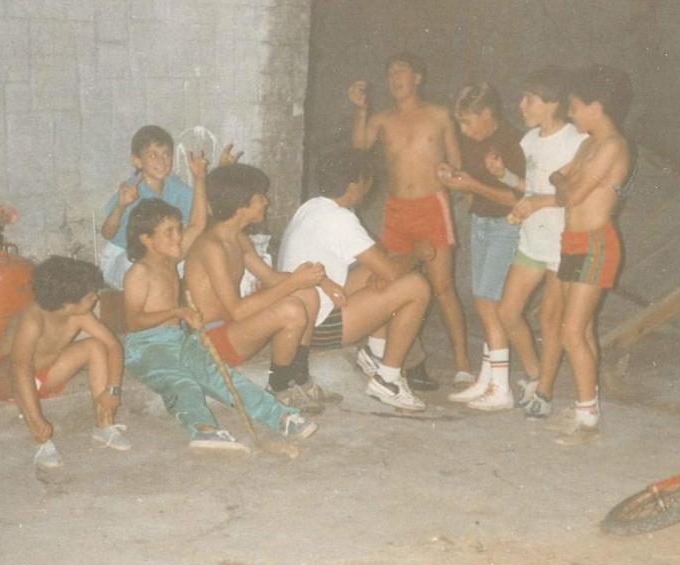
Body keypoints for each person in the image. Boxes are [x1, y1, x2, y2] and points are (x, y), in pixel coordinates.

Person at [122, 198, 316, 451]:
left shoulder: (170, 258)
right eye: (168, 232)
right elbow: (134, 321)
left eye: (178, 229)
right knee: (182, 382)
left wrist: (200, 178)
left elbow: (198, 223)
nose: (178, 237)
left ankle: (281, 417)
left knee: (218, 373)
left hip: (177, 339)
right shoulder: (139, 272)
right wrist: (177, 311)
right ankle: (203, 430)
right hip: (146, 347)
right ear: (146, 239)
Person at [348, 52, 473, 388]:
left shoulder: (438, 115)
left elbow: (458, 165)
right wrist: (361, 109)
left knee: (443, 288)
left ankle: (462, 363)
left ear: (418, 77)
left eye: (401, 71)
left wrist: (453, 176)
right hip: (396, 211)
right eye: (390, 73)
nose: (395, 78)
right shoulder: (382, 119)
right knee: (390, 281)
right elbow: (358, 149)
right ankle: (391, 357)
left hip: (432, 207)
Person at [278, 148, 433, 411]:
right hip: (316, 326)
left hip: (300, 313)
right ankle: (388, 380)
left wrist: (383, 273)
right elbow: (394, 272)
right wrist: (419, 252)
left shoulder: (312, 206)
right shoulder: (341, 219)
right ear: (354, 184)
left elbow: (379, 263)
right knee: (416, 286)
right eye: (366, 180)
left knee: (380, 271)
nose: (368, 187)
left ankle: (375, 353)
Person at [184, 163, 335, 414]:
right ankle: (278, 388)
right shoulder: (211, 247)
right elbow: (238, 311)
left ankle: (299, 377)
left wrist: (314, 279)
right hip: (212, 341)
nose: (266, 202)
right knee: (291, 309)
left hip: (233, 327)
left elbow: (272, 278)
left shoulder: (237, 238)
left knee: (306, 294)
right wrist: (294, 281)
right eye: (260, 198)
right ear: (241, 205)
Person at [484, 66, 589, 417]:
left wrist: (536, 202)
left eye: (530, 99)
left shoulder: (577, 141)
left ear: (553, 104)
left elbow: (575, 194)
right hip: (532, 239)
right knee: (507, 311)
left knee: (550, 318)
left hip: (563, 242)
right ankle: (534, 374)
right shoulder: (528, 140)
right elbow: (529, 187)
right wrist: (506, 177)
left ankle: (544, 393)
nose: (521, 105)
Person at [546, 65, 633, 444]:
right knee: (581, 329)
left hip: (596, 242)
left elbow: (572, 193)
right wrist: (567, 181)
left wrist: (568, 181)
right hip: (572, 241)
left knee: (570, 330)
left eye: (575, 107)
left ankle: (587, 421)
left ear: (597, 107)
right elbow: (557, 177)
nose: (570, 114)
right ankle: (587, 407)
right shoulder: (587, 144)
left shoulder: (613, 146)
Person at [0, 256, 128, 469]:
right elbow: (21, 367)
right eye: (90, 295)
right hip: (7, 381)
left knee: (96, 346)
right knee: (15, 366)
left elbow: (113, 346)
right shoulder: (33, 319)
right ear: (67, 303)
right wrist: (38, 419)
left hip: (45, 375)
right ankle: (41, 440)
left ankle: (104, 425)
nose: (96, 298)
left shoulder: (79, 314)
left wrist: (112, 391)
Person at [436, 83, 527, 411]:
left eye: (468, 122)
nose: (463, 130)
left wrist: (473, 185)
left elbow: (519, 198)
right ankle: (489, 378)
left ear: (488, 114)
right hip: (481, 222)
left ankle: (501, 388)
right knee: (484, 299)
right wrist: (453, 175)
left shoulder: (513, 142)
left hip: (507, 223)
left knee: (489, 301)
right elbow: (474, 180)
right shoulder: (473, 140)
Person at [99, 125, 236, 289]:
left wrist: (218, 172)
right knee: (151, 269)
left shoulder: (173, 185)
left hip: (161, 254)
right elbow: (107, 233)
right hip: (124, 256)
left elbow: (203, 213)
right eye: (153, 155)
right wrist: (121, 206)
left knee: (198, 256)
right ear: (137, 161)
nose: (162, 161)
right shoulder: (130, 190)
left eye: (166, 155)